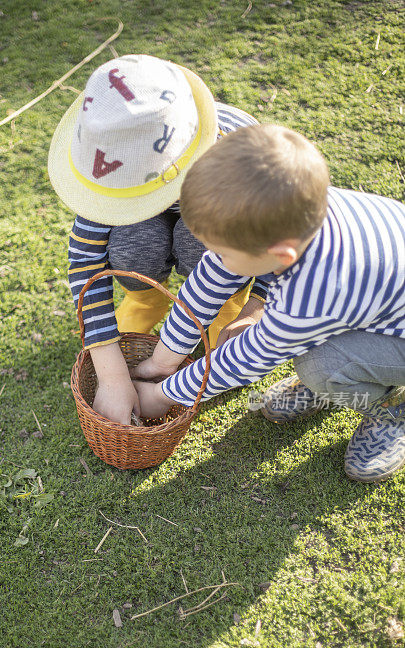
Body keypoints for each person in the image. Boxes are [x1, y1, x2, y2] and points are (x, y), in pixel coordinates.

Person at [132, 124, 405, 483]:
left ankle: (390, 410)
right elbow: (211, 278)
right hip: (378, 307)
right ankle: (341, 380)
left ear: (280, 255)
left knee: (319, 366)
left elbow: (249, 357)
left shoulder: (314, 293)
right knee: (315, 355)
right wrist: (161, 360)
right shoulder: (292, 207)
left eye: (224, 253)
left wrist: (164, 396)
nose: (215, 258)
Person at [48, 54, 269, 424]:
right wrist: (113, 375)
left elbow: (274, 245)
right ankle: (146, 302)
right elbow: (85, 262)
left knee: (201, 243)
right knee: (135, 240)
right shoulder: (113, 154)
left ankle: (222, 313)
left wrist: (253, 307)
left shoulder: (242, 166)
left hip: (217, 219)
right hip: (162, 211)